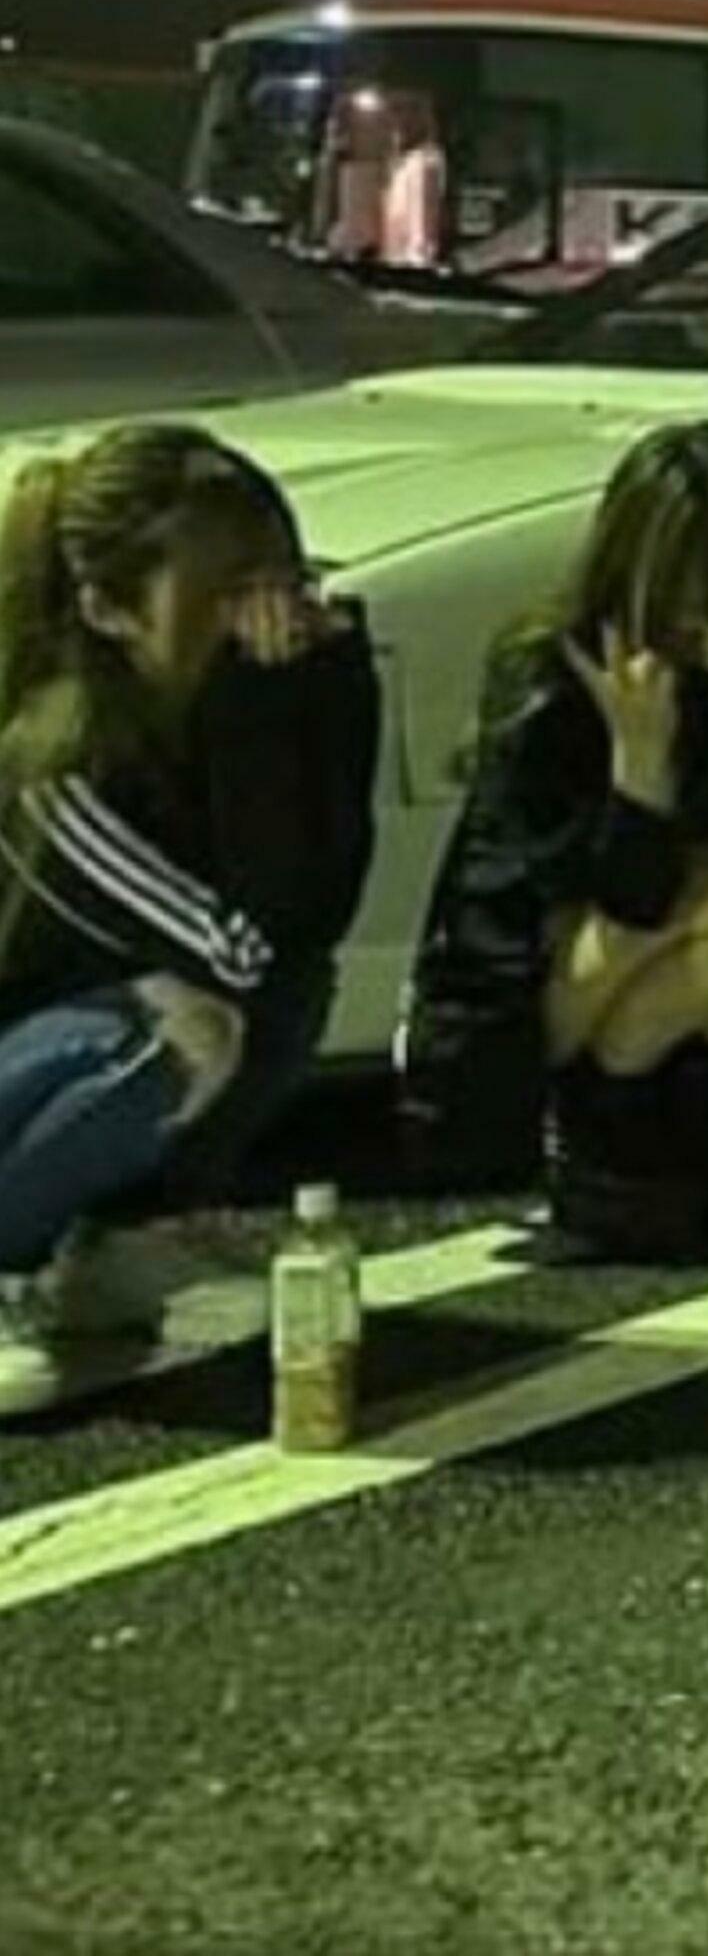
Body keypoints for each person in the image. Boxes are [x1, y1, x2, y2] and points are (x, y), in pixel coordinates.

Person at [399, 421, 708, 1258]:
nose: (707, 624)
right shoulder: (555, 677)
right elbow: (612, 899)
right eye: (684, 597)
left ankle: (658, 1117)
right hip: (524, 1004)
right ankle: (611, 1125)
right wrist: (641, 769)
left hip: (661, 982)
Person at [0, 424, 379, 1405]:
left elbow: (317, 911)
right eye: (230, 593)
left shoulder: (190, 718)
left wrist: (334, 696)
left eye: (285, 582)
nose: (271, 618)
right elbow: (246, 948)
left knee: (286, 996)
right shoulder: (58, 767)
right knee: (183, 1028)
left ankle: (108, 1244)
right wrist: (267, 710)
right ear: (110, 610)